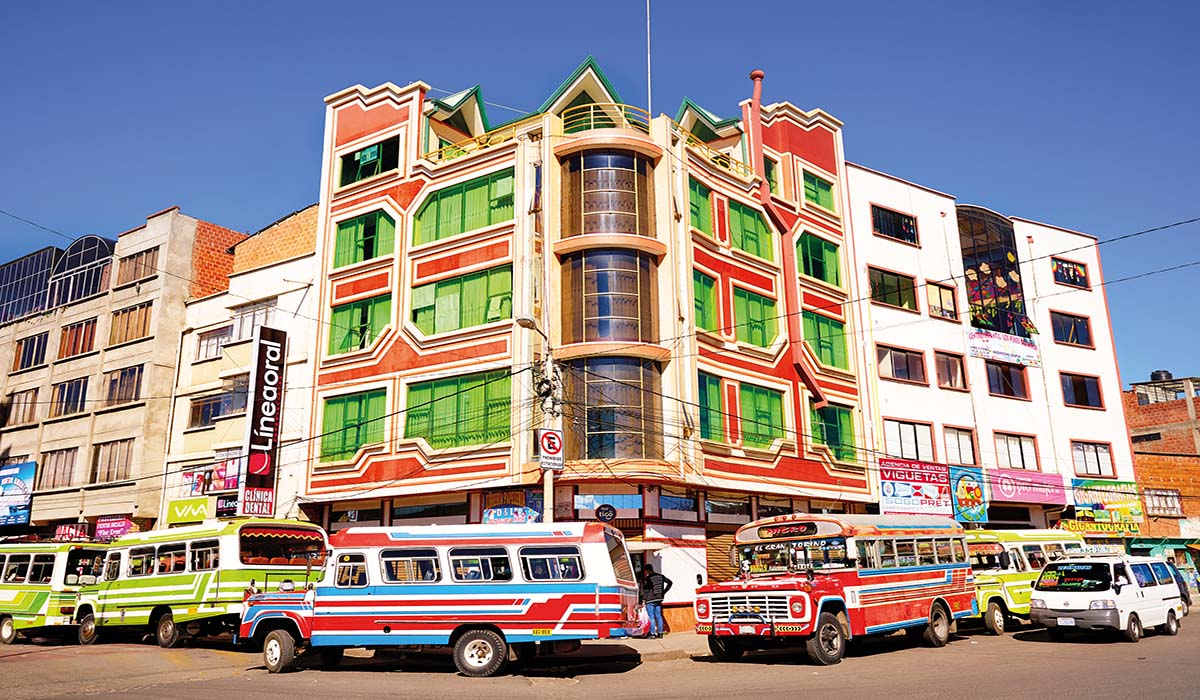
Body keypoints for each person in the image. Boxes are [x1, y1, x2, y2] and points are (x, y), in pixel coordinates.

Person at [640, 564, 673, 639]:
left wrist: (643, 600)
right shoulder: (661, 576)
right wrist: (664, 592)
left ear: (647, 570)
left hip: (650, 599)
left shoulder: (648, 578)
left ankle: (652, 633)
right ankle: (660, 633)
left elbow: (647, 590)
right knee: (659, 616)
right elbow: (670, 582)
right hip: (659, 599)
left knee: (652, 617)